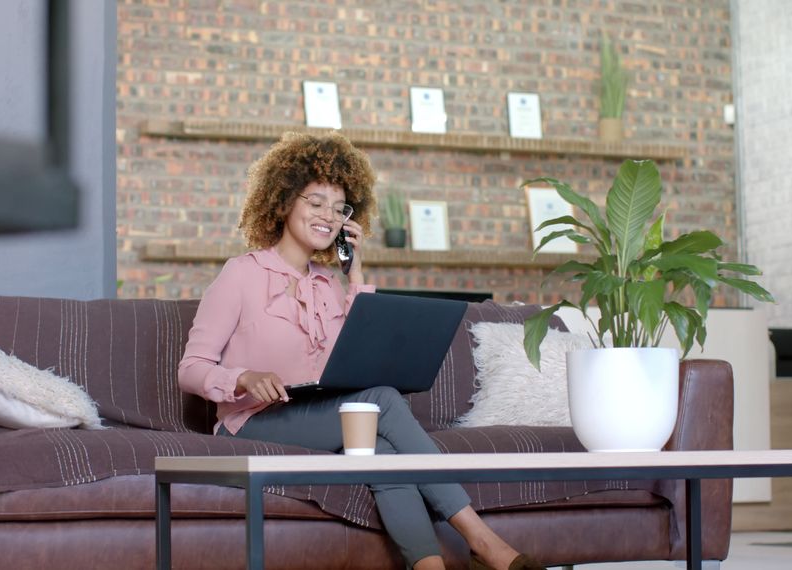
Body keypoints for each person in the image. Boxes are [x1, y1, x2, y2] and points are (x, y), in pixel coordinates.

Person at [177, 132, 541, 570]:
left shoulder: (329, 283)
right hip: (252, 421)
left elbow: (356, 351)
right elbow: (191, 369)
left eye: (339, 207)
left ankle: (430, 567)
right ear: (283, 201)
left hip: (318, 413)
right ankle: (482, 540)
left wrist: (357, 273)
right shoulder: (240, 274)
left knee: (382, 456)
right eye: (315, 202)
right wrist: (242, 377)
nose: (327, 216)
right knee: (381, 401)